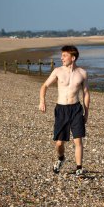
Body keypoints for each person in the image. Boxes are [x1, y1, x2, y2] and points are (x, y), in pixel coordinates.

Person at [39, 45, 90, 177]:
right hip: (61, 109)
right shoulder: (57, 71)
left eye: (64, 56)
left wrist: (86, 113)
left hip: (76, 109)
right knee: (59, 143)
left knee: (78, 140)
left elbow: (86, 94)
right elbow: (44, 86)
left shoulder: (82, 73)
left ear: (73, 58)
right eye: (61, 56)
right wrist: (42, 101)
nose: (61, 58)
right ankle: (61, 158)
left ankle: (79, 168)